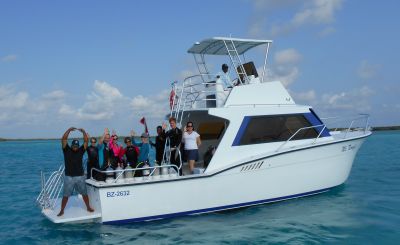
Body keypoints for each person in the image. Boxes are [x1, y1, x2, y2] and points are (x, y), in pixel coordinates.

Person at [58, 127, 94, 216]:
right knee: (66, 195)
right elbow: (64, 139)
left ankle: (88, 207)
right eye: (74, 146)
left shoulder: (81, 150)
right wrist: (69, 130)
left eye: (77, 146)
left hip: (80, 176)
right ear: (71, 145)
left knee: (84, 193)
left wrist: (84, 132)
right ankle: (62, 210)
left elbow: (86, 141)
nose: (75, 147)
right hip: (68, 177)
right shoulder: (66, 150)